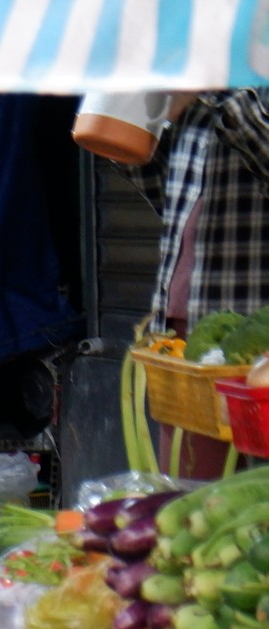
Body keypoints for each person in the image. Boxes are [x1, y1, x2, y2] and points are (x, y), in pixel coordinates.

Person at [126, 91, 269, 477]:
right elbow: (166, 195)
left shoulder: (226, 80)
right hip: (185, 332)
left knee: (254, 503)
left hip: (254, 340)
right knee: (192, 503)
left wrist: (221, 88)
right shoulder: (196, 82)